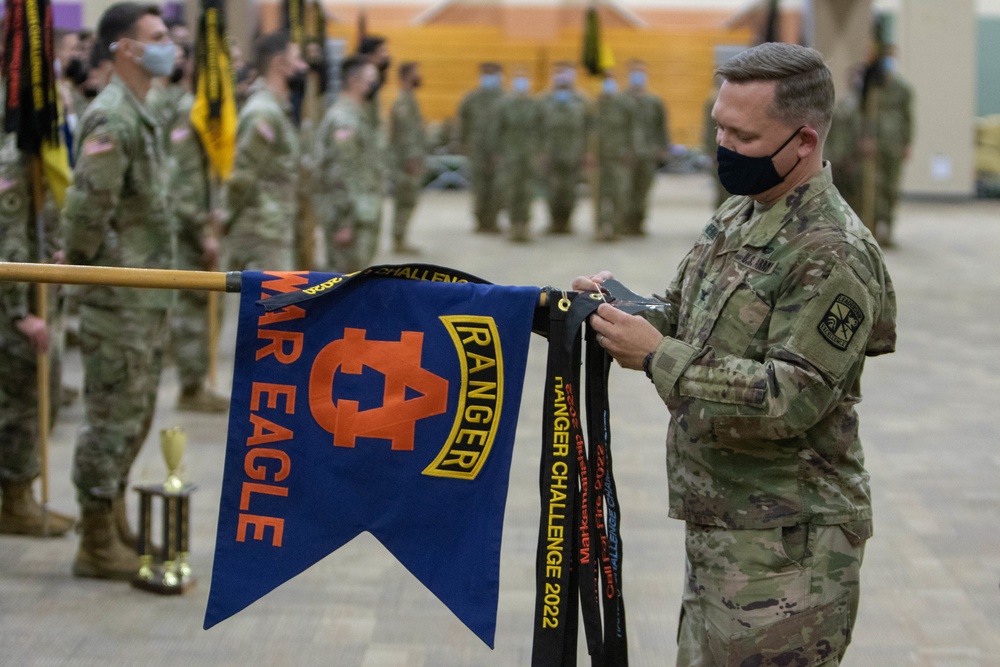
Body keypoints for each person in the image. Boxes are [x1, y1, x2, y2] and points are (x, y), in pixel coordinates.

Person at [572, 43, 896, 666]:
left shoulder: (831, 250)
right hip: (726, 525)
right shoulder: (746, 210)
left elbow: (790, 396)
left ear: (803, 141)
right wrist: (621, 311)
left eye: (741, 135)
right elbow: (685, 310)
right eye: (719, 124)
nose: (721, 145)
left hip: (787, 548)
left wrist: (657, 355)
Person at [61, 2, 176, 579]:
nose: (169, 44)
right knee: (109, 419)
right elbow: (87, 209)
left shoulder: (142, 109)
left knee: (135, 415)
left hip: (144, 296)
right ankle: (96, 540)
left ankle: (113, 515)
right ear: (126, 48)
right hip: (117, 298)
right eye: (157, 36)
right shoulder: (114, 116)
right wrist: (78, 269)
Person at [0, 125, 75, 538]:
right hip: (16, 306)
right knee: (22, 405)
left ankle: (22, 492)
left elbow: (42, 219)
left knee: (37, 398)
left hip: (37, 296)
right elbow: (8, 238)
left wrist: (56, 253)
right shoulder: (16, 158)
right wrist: (17, 313)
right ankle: (14, 498)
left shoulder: (38, 150)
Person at [159, 36, 228, 413]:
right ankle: (190, 387)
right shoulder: (190, 113)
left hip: (201, 224)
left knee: (204, 307)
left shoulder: (204, 111)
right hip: (187, 231)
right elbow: (181, 184)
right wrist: (203, 228)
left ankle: (196, 380)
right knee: (192, 308)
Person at [223, 30, 307, 272]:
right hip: (260, 231)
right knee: (269, 306)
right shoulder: (263, 112)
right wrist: (225, 219)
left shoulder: (278, 107)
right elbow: (243, 173)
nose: (302, 66)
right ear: (279, 64)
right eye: (296, 58)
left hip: (274, 225)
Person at [314, 56, 384, 273]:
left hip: (362, 212)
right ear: (354, 81)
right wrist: (346, 221)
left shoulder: (358, 114)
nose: (375, 85)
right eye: (371, 79)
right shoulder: (344, 119)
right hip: (350, 217)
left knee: (357, 276)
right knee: (345, 281)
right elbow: (341, 172)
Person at [859, 45, 913, 247]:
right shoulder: (873, 86)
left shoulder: (903, 88)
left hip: (895, 143)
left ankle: (888, 230)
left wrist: (908, 143)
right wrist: (866, 138)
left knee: (892, 188)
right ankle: (872, 228)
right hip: (876, 143)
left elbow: (909, 118)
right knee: (874, 187)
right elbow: (865, 115)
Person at [538, 61, 587, 234]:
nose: (562, 76)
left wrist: (586, 152)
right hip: (550, 153)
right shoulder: (544, 99)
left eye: (566, 72)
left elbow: (589, 128)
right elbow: (537, 127)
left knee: (570, 190)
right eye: (558, 72)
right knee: (551, 190)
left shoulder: (582, 99)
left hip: (573, 153)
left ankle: (567, 222)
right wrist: (540, 151)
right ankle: (554, 222)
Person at [456, 62, 504, 233]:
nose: (489, 77)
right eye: (486, 73)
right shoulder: (472, 99)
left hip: (498, 150)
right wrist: (463, 144)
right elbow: (463, 123)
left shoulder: (505, 98)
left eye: (493, 73)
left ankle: (493, 220)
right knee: (480, 186)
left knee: (497, 187)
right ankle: (480, 220)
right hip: (477, 148)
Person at [588, 70, 636, 241]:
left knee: (619, 194)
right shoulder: (594, 106)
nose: (608, 84)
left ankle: (616, 228)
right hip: (599, 159)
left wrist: (630, 152)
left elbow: (632, 131)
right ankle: (600, 228)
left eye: (611, 80)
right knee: (599, 195)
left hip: (619, 158)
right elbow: (588, 130)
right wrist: (589, 153)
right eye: (604, 81)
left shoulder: (625, 105)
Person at [624, 58, 669, 236]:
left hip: (648, 153)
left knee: (643, 191)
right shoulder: (621, 101)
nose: (638, 76)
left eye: (641, 72)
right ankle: (625, 223)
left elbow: (661, 127)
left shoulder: (654, 101)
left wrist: (663, 148)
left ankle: (639, 223)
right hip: (628, 154)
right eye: (634, 72)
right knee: (626, 190)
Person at [495, 67, 540, 242]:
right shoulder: (504, 105)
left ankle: (525, 225)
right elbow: (497, 130)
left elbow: (540, 130)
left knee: (527, 192)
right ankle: (514, 225)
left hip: (528, 154)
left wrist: (539, 152)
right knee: (512, 191)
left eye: (524, 79)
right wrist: (498, 153)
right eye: (518, 78)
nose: (521, 83)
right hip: (510, 154)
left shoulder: (534, 104)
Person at [388, 61, 425, 254]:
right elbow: (406, 134)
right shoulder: (403, 101)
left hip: (409, 160)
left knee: (408, 201)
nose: (419, 76)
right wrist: (411, 159)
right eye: (415, 72)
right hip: (404, 163)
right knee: (404, 200)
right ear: (406, 76)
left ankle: (401, 237)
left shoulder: (410, 98)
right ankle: (399, 238)